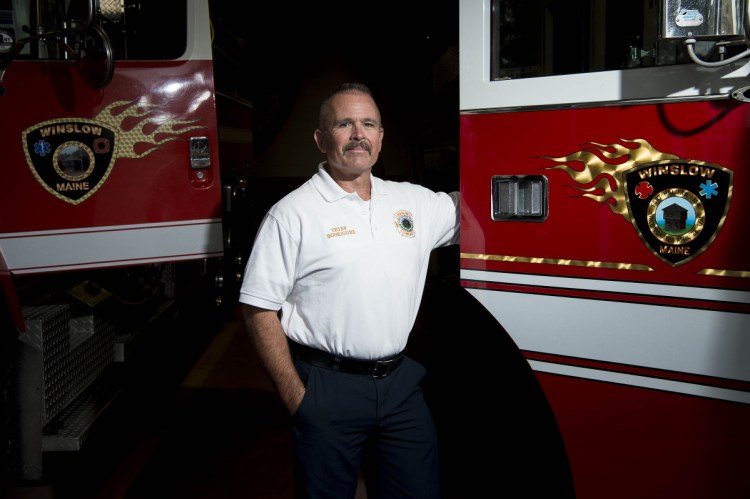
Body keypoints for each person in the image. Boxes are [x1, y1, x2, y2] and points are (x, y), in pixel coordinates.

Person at [239, 82, 460, 499]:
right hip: (326, 388)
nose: (359, 133)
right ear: (322, 139)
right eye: (345, 123)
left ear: (380, 138)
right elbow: (258, 308)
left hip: (400, 388)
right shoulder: (292, 215)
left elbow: (480, 209)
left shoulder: (412, 203)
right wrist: (296, 397)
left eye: (368, 123)